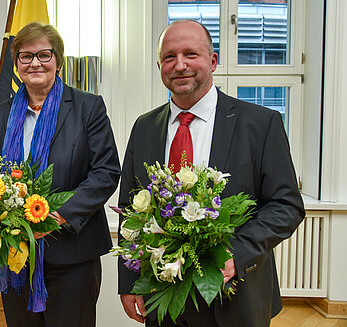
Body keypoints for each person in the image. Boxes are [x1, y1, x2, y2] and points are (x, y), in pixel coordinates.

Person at [117, 20, 305, 327]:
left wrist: (235, 254)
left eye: (191, 54)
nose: (179, 65)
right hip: (163, 296)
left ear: (213, 61)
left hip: (237, 294)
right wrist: (129, 282)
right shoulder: (144, 127)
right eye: (169, 57)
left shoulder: (260, 123)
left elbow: (286, 205)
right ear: (159, 65)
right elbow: (129, 207)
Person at [0, 22, 120, 327]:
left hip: (72, 256)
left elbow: (106, 172)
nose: (35, 62)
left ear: (58, 61)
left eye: (44, 55)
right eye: (26, 56)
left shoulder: (88, 107)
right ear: (17, 65)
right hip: (15, 256)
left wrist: (57, 215)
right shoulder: (1, 113)